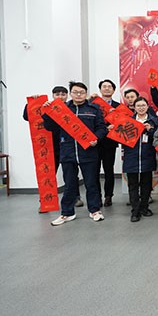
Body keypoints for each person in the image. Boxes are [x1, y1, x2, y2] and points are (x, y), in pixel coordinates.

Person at [43, 81, 107, 226]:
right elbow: (50, 127)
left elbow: (101, 128)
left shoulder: (94, 109)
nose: (79, 95)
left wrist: (96, 138)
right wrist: (47, 112)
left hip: (89, 152)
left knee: (91, 183)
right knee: (69, 184)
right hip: (68, 151)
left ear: (86, 94)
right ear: (70, 94)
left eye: (82, 92)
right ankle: (67, 213)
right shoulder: (62, 109)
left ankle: (95, 210)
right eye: (75, 92)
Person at [23, 86, 85, 210]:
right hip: (51, 148)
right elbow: (27, 117)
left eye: (63, 94)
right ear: (53, 95)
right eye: (57, 94)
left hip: (68, 147)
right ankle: (45, 202)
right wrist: (32, 103)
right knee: (47, 174)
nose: (60, 97)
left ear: (67, 95)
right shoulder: (46, 107)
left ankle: (75, 198)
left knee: (71, 174)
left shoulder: (71, 108)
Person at [120, 97, 158, 222]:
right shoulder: (128, 121)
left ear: (147, 107)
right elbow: (121, 138)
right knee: (133, 185)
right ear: (134, 107)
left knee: (146, 185)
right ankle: (135, 211)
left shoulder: (154, 121)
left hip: (147, 157)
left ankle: (144, 207)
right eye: (138, 106)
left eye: (143, 105)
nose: (141, 108)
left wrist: (150, 130)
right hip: (131, 157)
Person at [94, 79, 120, 207]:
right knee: (94, 171)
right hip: (95, 142)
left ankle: (108, 196)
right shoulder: (93, 105)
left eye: (109, 86)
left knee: (109, 170)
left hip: (110, 143)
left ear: (113, 90)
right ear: (100, 89)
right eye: (104, 86)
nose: (107, 88)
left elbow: (122, 124)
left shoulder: (118, 106)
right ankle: (97, 196)